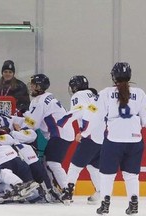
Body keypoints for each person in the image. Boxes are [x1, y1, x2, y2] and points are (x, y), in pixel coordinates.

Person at [78, 62, 145, 215]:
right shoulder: (140, 93)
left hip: (114, 139)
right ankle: (134, 203)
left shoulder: (106, 93)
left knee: (107, 174)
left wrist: (84, 133)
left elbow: (94, 115)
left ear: (113, 77)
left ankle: (105, 203)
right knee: (131, 175)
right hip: (135, 140)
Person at [21, 74, 75, 204]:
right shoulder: (47, 97)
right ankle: (56, 190)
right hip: (64, 132)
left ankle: (67, 190)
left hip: (59, 133)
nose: (31, 87)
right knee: (47, 162)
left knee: (52, 163)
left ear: (39, 86)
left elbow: (32, 124)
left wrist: (23, 115)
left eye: (33, 85)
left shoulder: (39, 101)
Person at [61, 75, 105, 204]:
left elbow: (81, 111)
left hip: (90, 135)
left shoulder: (78, 95)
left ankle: (68, 192)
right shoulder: (94, 95)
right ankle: (100, 192)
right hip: (102, 137)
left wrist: (83, 132)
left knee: (75, 166)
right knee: (93, 166)